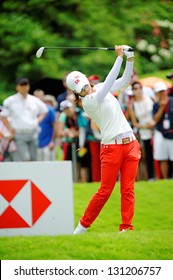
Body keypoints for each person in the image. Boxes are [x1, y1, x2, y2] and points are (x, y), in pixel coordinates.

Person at [66, 45, 141, 234]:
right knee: (105, 191)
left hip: (131, 144)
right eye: (81, 90)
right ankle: (82, 227)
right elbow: (108, 84)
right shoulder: (89, 103)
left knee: (128, 189)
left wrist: (129, 59)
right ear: (78, 94)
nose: (86, 90)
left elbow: (124, 80)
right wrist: (118, 58)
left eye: (85, 86)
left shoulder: (98, 88)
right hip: (111, 149)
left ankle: (126, 228)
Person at [0, 78, 48, 161]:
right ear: (17, 87)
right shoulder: (10, 101)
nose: (24, 87)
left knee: (34, 158)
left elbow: (44, 110)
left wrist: (37, 121)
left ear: (28, 86)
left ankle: (33, 174)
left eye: (25, 85)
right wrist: (10, 129)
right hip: (19, 134)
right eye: (21, 85)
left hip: (33, 133)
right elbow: (3, 116)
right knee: (25, 158)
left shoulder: (34, 100)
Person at [128, 81, 155, 181]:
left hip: (155, 129)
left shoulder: (149, 99)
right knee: (146, 155)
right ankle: (150, 177)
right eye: (135, 89)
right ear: (133, 91)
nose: (138, 90)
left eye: (139, 88)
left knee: (157, 154)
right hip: (143, 132)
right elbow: (134, 123)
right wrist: (145, 126)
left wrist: (153, 124)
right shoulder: (132, 105)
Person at [153, 81, 173, 179]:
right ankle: (165, 179)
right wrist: (162, 107)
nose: (161, 94)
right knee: (162, 158)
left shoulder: (172, 101)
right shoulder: (156, 105)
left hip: (172, 133)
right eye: (159, 92)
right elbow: (155, 120)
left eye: (163, 91)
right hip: (161, 133)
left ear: (166, 91)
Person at [33, 90, 58, 161]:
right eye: (36, 97)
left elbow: (55, 126)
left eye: (40, 96)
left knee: (49, 167)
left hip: (48, 143)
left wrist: (52, 141)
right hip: (36, 144)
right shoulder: (33, 111)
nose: (38, 99)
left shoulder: (49, 110)